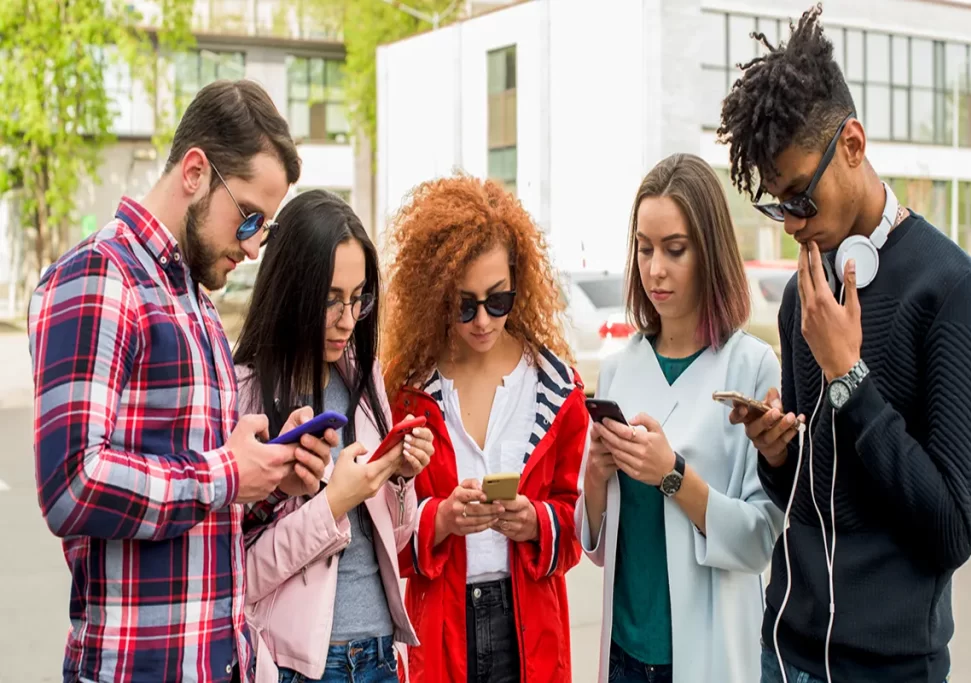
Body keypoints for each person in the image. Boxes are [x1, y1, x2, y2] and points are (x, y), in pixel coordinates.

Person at [717, 5, 971, 683]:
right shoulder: (802, 298)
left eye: (800, 198)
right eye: (776, 204)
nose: (791, 224)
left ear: (852, 143)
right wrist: (777, 454)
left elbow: (950, 531)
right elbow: (809, 497)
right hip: (783, 654)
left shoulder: (953, 291)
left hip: (891, 669)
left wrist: (848, 377)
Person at [27, 80, 335, 683]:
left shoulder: (192, 297)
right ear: (195, 171)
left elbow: (208, 503)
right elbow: (71, 483)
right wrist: (227, 473)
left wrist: (270, 472)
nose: (252, 247)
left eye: (262, 229)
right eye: (248, 217)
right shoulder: (99, 275)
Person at [574, 153, 784, 683]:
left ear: (709, 251)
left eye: (675, 250)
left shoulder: (752, 367)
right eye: (644, 249)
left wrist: (673, 475)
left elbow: (761, 538)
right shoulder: (620, 370)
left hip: (709, 657)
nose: (655, 269)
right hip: (623, 653)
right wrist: (596, 476)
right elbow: (597, 545)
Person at [381, 175, 589, 683]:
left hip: (532, 632)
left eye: (498, 300)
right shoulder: (407, 395)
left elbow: (581, 521)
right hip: (440, 630)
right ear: (435, 296)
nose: (482, 321)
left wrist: (537, 522)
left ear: (519, 283)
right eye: (463, 304)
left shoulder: (557, 390)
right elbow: (385, 533)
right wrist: (441, 518)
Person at [233, 190, 435, 683]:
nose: (347, 320)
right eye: (329, 300)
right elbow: (240, 574)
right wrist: (333, 505)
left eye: (357, 298)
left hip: (381, 653)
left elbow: (398, 540)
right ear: (291, 291)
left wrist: (400, 477)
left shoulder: (360, 379)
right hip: (302, 666)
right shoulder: (245, 393)